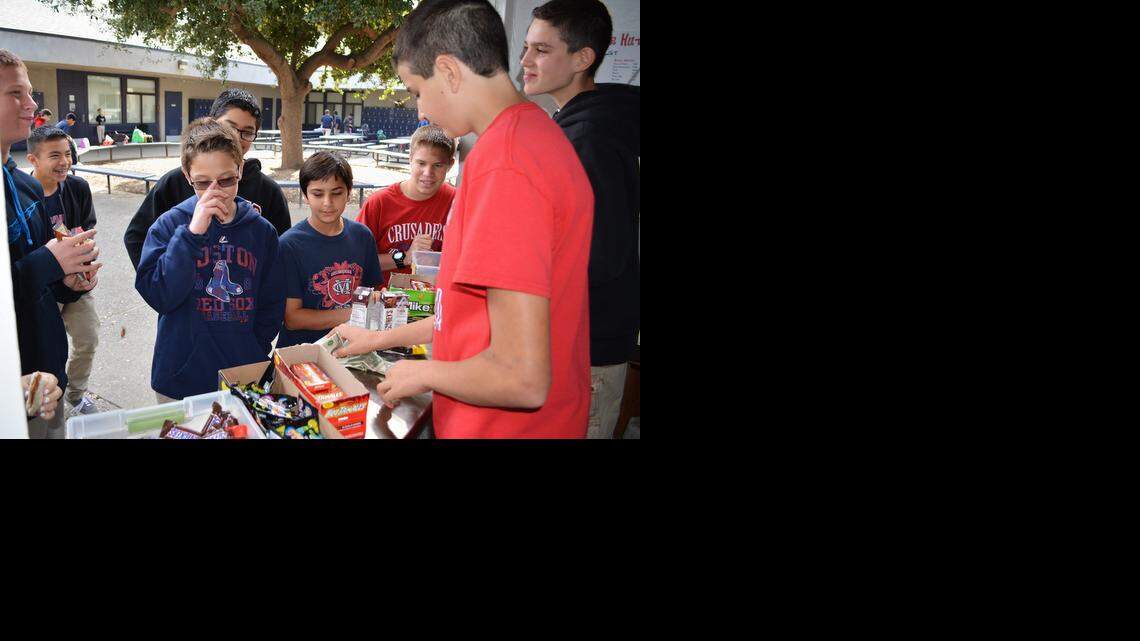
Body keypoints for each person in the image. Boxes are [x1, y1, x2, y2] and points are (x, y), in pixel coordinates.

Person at [333, 0, 594, 439]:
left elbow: (521, 377)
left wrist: (428, 373)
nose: (419, 111)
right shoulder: (531, 138)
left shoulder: (506, 166)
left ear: (450, 71)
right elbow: (464, 317)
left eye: (416, 90)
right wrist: (376, 340)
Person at [523, 0, 640, 439]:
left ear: (583, 58)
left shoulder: (590, 138)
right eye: (526, 48)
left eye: (541, 50)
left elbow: (600, 256)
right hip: (572, 341)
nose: (526, 61)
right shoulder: (576, 125)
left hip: (587, 347)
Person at [135, 117, 284, 402]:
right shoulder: (169, 225)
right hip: (178, 378)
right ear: (186, 175)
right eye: (203, 183)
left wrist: (253, 349)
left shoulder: (262, 232)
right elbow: (159, 296)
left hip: (241, 374)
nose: (215, 192)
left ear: (240, 169)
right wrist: (192, 234)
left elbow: (272, 301)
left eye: (227, 180)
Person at [2, 49, 102, 438]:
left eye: (30, 93)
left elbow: (38, 278)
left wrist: (69, 279)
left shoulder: (26, 187)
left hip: (49, 375)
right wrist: (50, 261)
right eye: (15, 94)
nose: (32, 105)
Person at [123, 88, 291, 269]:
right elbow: (136, 237)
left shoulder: (269, 191)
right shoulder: (173, 183)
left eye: (247, 132)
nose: (236, 137)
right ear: (211, 124)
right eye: (229, 127)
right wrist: (163, 290)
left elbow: (281, 253)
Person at [26, 125, 101, 415]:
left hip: (77, 284)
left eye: (67, 154)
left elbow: (87, 231)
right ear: (33, 159)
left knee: (88, 339)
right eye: (54, 155)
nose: (64, 162)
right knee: (47, 352)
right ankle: (48, 402)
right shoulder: (22, 194)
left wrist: (86, 268)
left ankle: (74, 395)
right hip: (42, 291)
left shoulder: (77, 187)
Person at [276, 152, 382, 348]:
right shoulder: (288, 245)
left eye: (336, 193)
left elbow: (372, 294)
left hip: (353, 347)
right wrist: (353, 313)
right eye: (318, 194)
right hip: (303, 353)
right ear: (305, 195)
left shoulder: (362, 236)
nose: (327, 202)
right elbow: (292, 318)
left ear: (349, 192)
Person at [355, 125, 455, 287]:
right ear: (410, 158)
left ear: (450, 165)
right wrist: (405, 258)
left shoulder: (456, 201)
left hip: (435, 302)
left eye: (437, 165)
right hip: (388, 302)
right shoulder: (379, 203)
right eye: (421, 163)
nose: (428, 173)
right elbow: (359, 262)